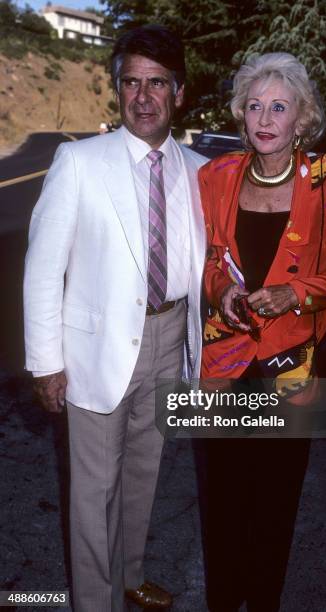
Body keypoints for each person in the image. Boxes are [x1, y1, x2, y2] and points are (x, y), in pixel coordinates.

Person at [24, 25, 206, 612]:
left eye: (157, 83)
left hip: (172, 337)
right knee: (94, 491)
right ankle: (94, 601)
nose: (144, 96)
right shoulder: (77, 162)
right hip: (95, 350)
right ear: (118, 88)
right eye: (132, 82)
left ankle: (129, 576)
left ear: (178, 92)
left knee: (144, 474)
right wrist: (46, 363)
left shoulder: (204, 171)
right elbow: (43, 269)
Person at [198, 52, 326, 611]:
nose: (265, 118)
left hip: (290, 366)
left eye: (279, 106)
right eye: (254, 106)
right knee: (220, 499)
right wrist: (220, 289)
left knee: (274, 500)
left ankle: (263, 601)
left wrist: (294, 293)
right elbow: (202, 258)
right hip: (223, 364)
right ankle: (224, 600)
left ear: (303, 119)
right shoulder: (215, 176)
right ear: (240, 115)